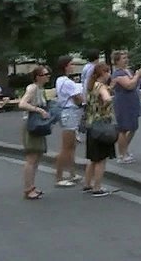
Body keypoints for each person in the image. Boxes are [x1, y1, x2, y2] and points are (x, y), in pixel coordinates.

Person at [19, 66, 51, 200]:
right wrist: (38, 110)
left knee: (36, 157)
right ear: (38, 76)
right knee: (31, 158)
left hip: (38, 125)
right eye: (45, 74)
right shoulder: (32, 88)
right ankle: (27, 189)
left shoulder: (40, 89)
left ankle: (31, 186)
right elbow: (22, 104)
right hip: (31, 125)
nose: (48, 76)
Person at [83, 62, 115, 197]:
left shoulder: (91, 86)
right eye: (108, 72)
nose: (109, 74)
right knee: (101, 159)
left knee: (93, 158)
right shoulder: (101, 87)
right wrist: (110, 98)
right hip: (102, 125)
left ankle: (87, 183)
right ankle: (97, 187)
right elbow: (106, 99)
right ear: (104, 73)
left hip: (91, 124)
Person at [54, 56, 84, 187]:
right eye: (71, 64)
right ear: (66, 66)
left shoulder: (61, 80)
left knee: (71, 146)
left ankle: (72, 173)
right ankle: (59, 177)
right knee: (66, 147)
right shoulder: (67, 82)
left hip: (68, 112)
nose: (73, 66)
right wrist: (82, 102)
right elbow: (77, 97)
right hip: (69, 112)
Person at [110, 51, 141, 164]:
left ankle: (125, 149)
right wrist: (137, 75)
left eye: (126, 57)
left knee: (133, 127)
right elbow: (129, 85)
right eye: (123, 58)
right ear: (117, 61)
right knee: (123, 128)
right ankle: (122, 154)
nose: (126, 60)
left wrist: (139, 78)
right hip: (123, 103)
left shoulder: (127, 71)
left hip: (132, 102)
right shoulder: (118, 73)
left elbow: (134, 85)